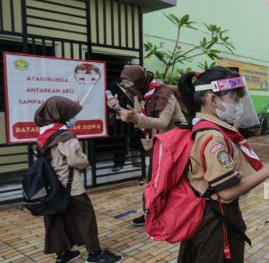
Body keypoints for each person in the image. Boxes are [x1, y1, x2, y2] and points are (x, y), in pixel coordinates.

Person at [176, 66, 269, 263]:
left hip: (209, 213)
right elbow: (227, 192)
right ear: (212, 99)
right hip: (215, 219)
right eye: (235, 100)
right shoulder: (213, 138)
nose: (239, 106)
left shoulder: (205, 127)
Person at [34, 96, 123, 263]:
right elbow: (77, 161)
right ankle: (95, 254)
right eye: (70, 114)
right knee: (86, 217)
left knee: (57, 219)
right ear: (61, 114)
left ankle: (63, 254)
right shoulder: (66, 135)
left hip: (53, 187)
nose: (73, 118)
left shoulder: (43, 135)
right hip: (71, 186)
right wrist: (85, 160)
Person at [106, 65, 186, 227]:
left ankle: (167, 214)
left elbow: (162, 122)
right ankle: (150, 212)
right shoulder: (141, 95)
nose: (126, 87)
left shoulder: (164, 94)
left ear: (139, 81)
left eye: (128, 83)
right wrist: (116, 107)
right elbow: (137, 116)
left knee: (171, 182)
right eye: (124, 84)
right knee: (153, 181)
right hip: (159, 143)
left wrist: (135, 118)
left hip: (175, 144)